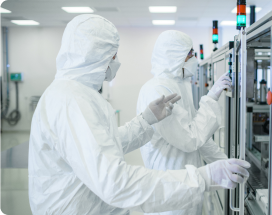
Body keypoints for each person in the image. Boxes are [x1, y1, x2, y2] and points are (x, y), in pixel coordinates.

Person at [28, 14, 250, 215]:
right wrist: (202, 177)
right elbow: (114, 182)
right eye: (113, 55)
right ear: (94, 56)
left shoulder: (76, 94)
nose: (116, 62)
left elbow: (107, 143)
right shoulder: (71, 100)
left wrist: (145, 121)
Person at [136, 30, 234, 215]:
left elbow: (199, 136)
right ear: (175, 56)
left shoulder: (178, 85)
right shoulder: (157, 89)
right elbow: (190, 139)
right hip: (170, 186)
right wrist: (211, 98)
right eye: (190, 54)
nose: (194, 59)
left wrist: (225, 163)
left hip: (185, 182)